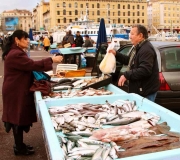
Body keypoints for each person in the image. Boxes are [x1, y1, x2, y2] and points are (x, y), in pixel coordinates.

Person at [1, 30, 63, 156]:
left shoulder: (16, 52)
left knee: (18, 117)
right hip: (15, 91)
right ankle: (19, 148)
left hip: (17, 88)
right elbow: (32, 64)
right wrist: (51, 59)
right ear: (17, 40)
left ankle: (20, 145)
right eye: (25, 39)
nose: (28, 41)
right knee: (16, 119)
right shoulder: (15, 54)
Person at [109, 24, 160, 102]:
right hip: (141, 91)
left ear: (140, 35)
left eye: (132, 34)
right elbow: (130, 61)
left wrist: (126, 75)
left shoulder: (146, 49)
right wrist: (116, 54)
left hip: (145, 93)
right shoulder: (139, 47)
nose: (130, 36)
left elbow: (145, 70)